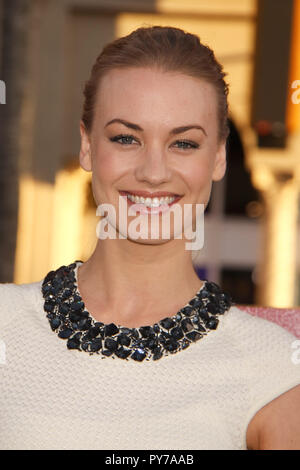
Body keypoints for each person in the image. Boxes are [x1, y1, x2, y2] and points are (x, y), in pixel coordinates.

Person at [0, 25, 299, 451]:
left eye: (184, 143)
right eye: (126, 138)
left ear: (218, 157)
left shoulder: (271, 367)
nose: (154, 172)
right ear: (87, 147)